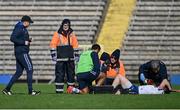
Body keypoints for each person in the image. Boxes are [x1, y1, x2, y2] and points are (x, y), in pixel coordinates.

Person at [2, 15, 40, 95]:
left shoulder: (22, 27)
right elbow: (12, 38)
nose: (29, 24)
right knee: (30, 69)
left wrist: (28, 40)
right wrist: (24, 42)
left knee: (19, 72)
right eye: (29, 23)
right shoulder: (19, 27)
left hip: (20, 52)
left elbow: (20, 38)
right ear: (25, 22)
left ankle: (7, 89)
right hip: (22, 52)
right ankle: (31, 91)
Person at [50, 19, 79, 93]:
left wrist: (76, 55)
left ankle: (70, 90)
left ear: (69, 26)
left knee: (71, 74)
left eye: (67, 25)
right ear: (62, 25)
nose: (66, 26)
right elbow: (53, 44)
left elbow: (75, 45)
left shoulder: (72, 33)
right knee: (60, 74)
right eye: (64, 25)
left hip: (70, 58)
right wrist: (53, 55)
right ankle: (59, 90)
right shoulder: (57, 33)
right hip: (60, 58)